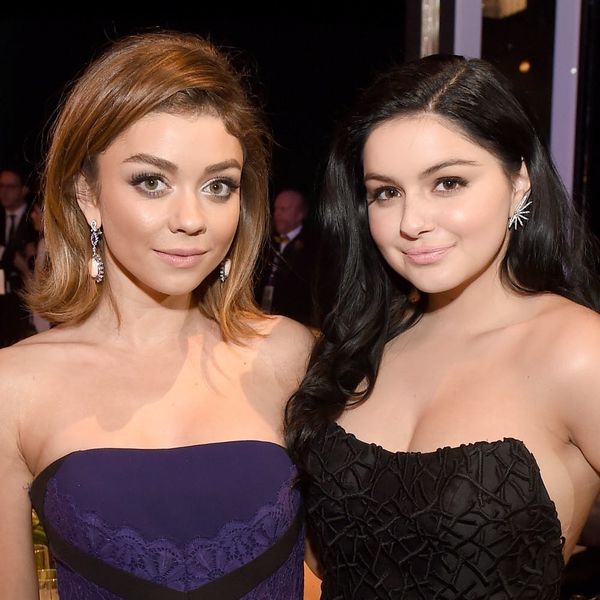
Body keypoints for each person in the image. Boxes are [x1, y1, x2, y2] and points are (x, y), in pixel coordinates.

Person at [0, 31, 313, 599]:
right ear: (88, 195)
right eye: (151, 181)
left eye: (218, 185)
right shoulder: (13, 386)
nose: (191, 218)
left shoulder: (287, 355)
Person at [285, 54, 600, 599]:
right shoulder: (363, 345)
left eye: (448, 183)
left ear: (519, 181)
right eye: (386, 192)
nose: (411, 222)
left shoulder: (578, 350)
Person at [256, 188, 319, 326]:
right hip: (262, 319)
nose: (277, 214)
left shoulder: (315, 248)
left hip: (297, 323)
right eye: (276, 209)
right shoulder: (265, 242)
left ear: (300, 214)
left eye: (283, 209)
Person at [0, 166, 37, 345]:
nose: (4, 192)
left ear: (24, 190)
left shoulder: (35, 218)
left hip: (27, 300)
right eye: (1, 186)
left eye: (10, 187)